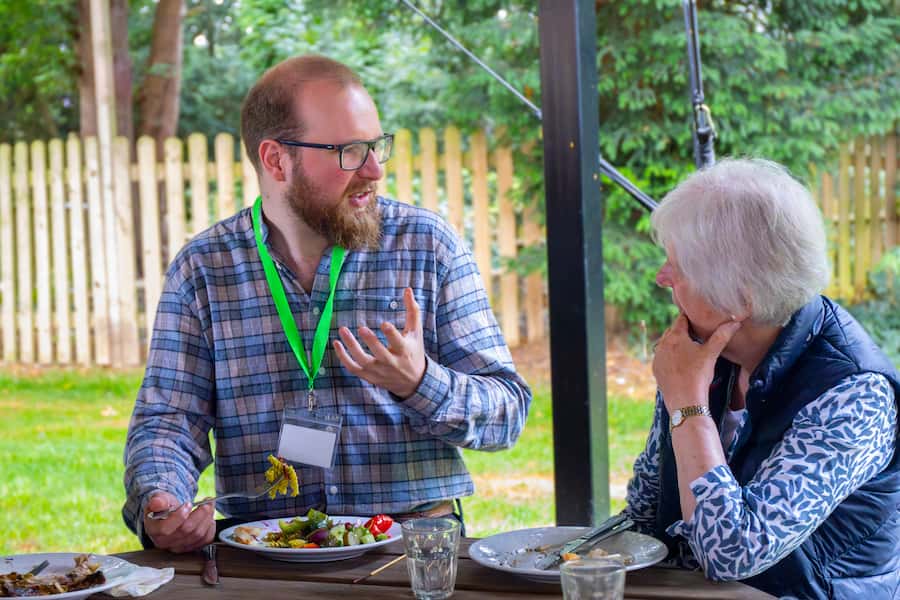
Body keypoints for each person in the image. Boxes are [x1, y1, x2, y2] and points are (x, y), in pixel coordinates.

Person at [122, 54, 532, 553]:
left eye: (377, 146)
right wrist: (160, 498)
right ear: (276, 160)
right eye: (350, 151)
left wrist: (420, 382)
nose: (375, 170)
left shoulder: (426, 245)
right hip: (266, 556)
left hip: (408, 552)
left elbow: (508, 411)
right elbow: (168, 421)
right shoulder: (203, 268)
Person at [624, 158, 900, 599]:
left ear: (741, 298)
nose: (662, 277)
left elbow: (731, 554)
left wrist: (687, 407)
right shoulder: (706, 358)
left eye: (680, 266)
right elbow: (644, 513)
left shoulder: (854, 395)